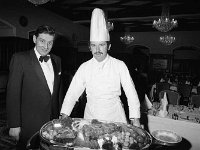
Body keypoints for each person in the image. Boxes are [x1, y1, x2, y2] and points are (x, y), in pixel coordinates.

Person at [60, 8, 141, 127]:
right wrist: (64, 115)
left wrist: (135, 118)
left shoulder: (119, 65)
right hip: (91, 117)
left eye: (101, 45)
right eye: (94, 45)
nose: (97, 50)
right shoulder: (84, 67)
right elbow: (72, 93)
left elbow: (131, 93)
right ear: (90, 47)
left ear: (108, 46)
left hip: (115, 117)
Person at [6, 25, 63, 149]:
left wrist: (59, 116)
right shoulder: (20, 58)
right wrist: (14, 124)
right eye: (42, 41)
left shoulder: (57, 60)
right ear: (34, 39)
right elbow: (12, 93)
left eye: (50, 42)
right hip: (29, 122)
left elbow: (58, 91)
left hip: (52, 121)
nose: (46, 46)